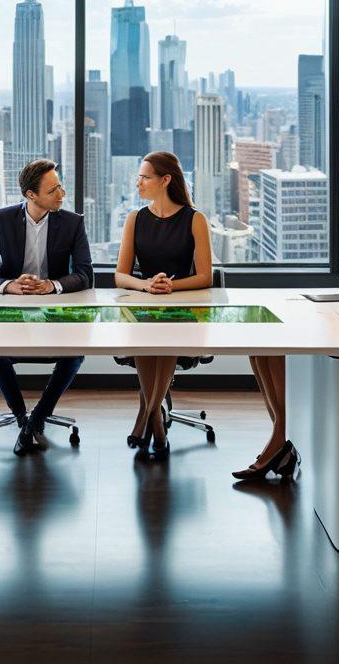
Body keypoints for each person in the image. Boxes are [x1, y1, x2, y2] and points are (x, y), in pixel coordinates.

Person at [0, 159, 93, 455]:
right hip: (13, 314)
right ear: (31, 195)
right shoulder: (2, 220)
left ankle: (36, 418)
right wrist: (8, 285)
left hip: (55, 315)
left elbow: (86, 274)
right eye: (53, 190)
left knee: (74, 353)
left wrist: (53, 285)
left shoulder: (72, 222)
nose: (61, 194)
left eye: (60, 186)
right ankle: (22, 417)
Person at [114, 152, 213, 462]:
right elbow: (120, 275)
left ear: (165, 180)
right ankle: (156, 421)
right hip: (144, 306)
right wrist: (147, 285)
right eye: (139, 176)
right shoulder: (135, 218)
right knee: (145, 335)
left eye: (145, 177)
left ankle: (148, 416)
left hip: (182, 309)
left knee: (167, 334)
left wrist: (172, 286)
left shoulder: (195, 219)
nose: (138, 182)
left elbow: (206, 276)